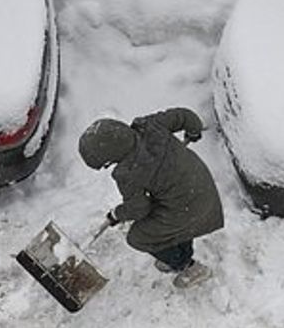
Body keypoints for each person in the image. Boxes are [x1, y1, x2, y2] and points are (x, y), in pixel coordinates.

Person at [78, 107, 224, 289]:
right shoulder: (150, 125)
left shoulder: (129, 174)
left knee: (139, 237)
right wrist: (193, 131)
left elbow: (139, 209)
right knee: (168, 217)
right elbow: (184, 116)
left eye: (106, 164)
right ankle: (181, 250)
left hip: (188, 206)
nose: (110, 166)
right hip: (200, 183)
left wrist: (116, 214)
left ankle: (189, 267)